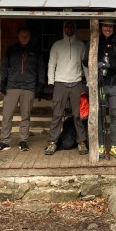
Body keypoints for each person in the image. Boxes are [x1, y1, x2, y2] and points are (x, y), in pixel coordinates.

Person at [83, 20, 116, 159]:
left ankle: (114, 146)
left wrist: (108, 65)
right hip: (99, 83)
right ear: (100, 27)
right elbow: (85, 60)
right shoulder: (94, 41)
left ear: (114, 28)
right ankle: (101, 146)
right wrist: (96, 63)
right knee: (100, 115)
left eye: (110, 26)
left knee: (115, 114)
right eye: (105, 26)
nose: (108, 29)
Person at [0, 27, 45, 152]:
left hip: (29, 87)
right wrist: (2, 82)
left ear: (30, 37)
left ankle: (23, 141)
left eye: (26, 35)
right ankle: (5, 141)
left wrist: (41, 85)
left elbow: (41, 69)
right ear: (18, 36)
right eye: (22, 35)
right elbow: (4, 66)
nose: (24, 38)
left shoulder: (35, 50)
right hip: (12, 86)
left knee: (26, 116)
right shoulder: (11, 49)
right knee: (7, 115)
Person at [45, 21, 88, 156]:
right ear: (64, 28)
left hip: (76, 82)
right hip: (60, 82)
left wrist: (88, 81)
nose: (69, 29)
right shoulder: (57, 45)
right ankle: (52, 142)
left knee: (78, 114)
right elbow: (51, 64)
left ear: (75, 28)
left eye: (72, 26)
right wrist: (51, 82)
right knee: (57, 114)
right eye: (67, 26)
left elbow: (85, 64)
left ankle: (81, 141)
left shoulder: (80, 45)